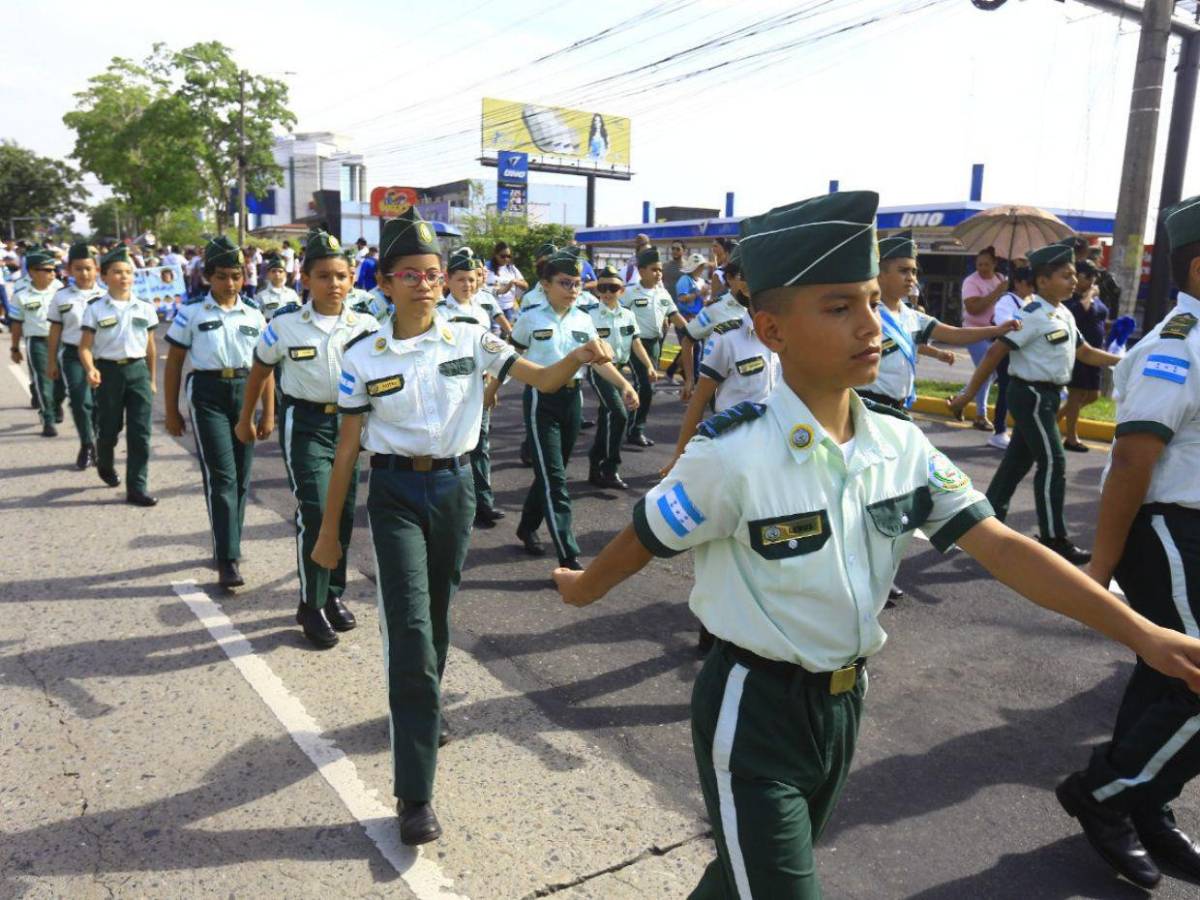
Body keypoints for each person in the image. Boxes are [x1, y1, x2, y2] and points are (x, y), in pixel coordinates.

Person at [552, 189, 1200, 900]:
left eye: (870, 300)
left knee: (742, 880)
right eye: (839, 307)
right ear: (771, 330)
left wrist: (1142, 633)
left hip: (842, 706)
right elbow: (646, 535)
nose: (872, 325)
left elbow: (1003, 548)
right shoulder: (731, 456)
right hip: (753, 709)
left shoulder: (900, 445)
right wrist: (584, 588)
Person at [309, 208, 614, 846]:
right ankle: (415, 793)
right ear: (385, 283)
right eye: (410, 275)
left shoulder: (472, 338)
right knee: (410, 632)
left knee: (438, 617)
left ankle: (424, 709)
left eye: (432, 273)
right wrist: (330, 533)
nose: (424, 283)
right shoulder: (362, 356)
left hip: (454, 489)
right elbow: (346, 450)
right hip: (394, 493)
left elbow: (540, 377)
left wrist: (581, 356)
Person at [1055, 195, 1200, 890]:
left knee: (1165, 674)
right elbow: (1133, 463)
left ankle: (1146, 803)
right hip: (1169, 529)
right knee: (1195, 676)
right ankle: (1103, 794)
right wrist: (1102, 568)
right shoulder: (1177, 345)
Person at [858, 230, 1019, 604]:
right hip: (868, 410)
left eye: (914, 271)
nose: (911, 278)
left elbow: (955, 333)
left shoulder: (912, 317)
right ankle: (865, 573)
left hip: (899, 414)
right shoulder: (866, 313)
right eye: (903, 270)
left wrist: (997, 329)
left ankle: (881, 572)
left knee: (897, 496)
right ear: (880, 272)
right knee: (872, 494)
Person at [236, 229, 377, 648]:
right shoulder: (284, 326)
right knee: (316, 511)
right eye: (324, 276)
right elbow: (260, 370)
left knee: (344, 511)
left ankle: (332, 593)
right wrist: (250, 416)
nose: (334, 284)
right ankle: (310, 604)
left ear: (352, 278)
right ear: (306, 279)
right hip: (307, 425)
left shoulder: (367, 326)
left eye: (341, 276)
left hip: (349, 426)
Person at [949, 242, 1121, 564]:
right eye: (1066, 275)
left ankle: (983, 525)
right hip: (1031, 394)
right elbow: (995, 352)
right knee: (1054, 462)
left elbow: (1084, 352)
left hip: (1050, 395)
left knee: (1016, 463)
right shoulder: (1030, 315)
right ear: (1042, 281)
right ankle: (1054, 537)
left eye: (1074, 275)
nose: (1074, 281)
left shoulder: (1064, 313)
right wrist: (968, 394)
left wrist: (1123, 361)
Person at [509, 249, 638, 567]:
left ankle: (527, 526)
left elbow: (599, 362)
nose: (572, 290)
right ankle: (568, 556)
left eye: (577, 284)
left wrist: (624, 384)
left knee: (552, 471)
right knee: (555, 479)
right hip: (541, 398)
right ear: (546, 284)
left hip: (572, 400)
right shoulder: (530, 318)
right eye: (565, 283)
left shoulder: (584, 319)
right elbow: (510, 357)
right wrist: (490, 389)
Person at [163, 236, 272, 589]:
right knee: (222, 476)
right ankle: (227, 557)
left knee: (241, 475)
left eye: (236, 276)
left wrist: (268, 412)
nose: (230, 283)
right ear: (208, 276)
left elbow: (265, 366)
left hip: (245, 391)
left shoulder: (254, 313)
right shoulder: (192, 312)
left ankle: (229, 543)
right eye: (222, 276)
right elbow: (174, 363)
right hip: (207, 393)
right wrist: (171, 411)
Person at [78, 245, 158, 505]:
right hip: (109, 373)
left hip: (138, 372)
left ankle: (137, 487)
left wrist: (151, 379)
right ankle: (105, 463)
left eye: (128, 272)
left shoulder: (145, 307)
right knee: (109, 429)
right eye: (117, 272)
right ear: (104, 277)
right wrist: (91, 369)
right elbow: (85, 347)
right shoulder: (95, 308)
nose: (124, 277)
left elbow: (150, 348)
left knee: (141, 433)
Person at [437, 248, 511, 528]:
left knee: (481, 444)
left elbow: (488, 353)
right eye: (460, 279)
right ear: (448, 280)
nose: (467, 285)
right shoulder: (439, 312)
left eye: (471, 279)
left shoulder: (481, 312)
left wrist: (492, 386)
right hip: (447, 387)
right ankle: (452, 503)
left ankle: (483, 502)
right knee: (450, 446)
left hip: (477, 385)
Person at [586, 265, 656, 490]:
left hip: (619, 368)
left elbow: (636, 343)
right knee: (618, 414)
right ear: (597, 290)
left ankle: (596, 467)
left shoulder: (628, 314)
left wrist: (649, 366)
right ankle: (610, 468)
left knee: (607, 417)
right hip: (598, 369)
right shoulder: (588, 315)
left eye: (613, 288)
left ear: (622, 291)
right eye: (602, 287)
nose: (607, 292)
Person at [622, 247, 688, 447]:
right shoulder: (630, 293)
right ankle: (634, 430)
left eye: (660, 269)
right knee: (645, 385)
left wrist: (693, 332)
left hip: (655, 344)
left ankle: (633, 426)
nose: (658, 273)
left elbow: (675, 316)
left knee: (647, 386)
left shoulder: (662, 293)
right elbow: (619, 317)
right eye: (654, 269)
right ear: (641, 271)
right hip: (636, 344)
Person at [47, 242, 104, 468]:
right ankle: (87, 444)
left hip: (102, 355)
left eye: (88, 268)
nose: (84, 273)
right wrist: (51, 361)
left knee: (100, 404)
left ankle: (99, 442)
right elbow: (55, 330)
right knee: (81, 401)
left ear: (96, 270)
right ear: (69, 270)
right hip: (73, 355)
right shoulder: (61, 297)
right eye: (78, 268)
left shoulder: (107, 295)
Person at [678, 246, 750, 403]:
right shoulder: (716, 309)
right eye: (743, 276)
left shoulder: (760, 306)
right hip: (726, 394)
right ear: (730, 278)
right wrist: (690, 379)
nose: (749, 281)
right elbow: (687, 340)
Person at [8, 246, 66, 436]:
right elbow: (16, 323)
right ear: (32, 272)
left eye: (53, 270)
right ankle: (47, 417)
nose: (53, 273)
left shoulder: (60, 290)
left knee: (63, 382)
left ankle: (56, 403)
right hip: (37, 342)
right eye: (47, 270)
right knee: (43, 380)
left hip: (61, 341)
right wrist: (15, 348)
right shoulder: (21, 295)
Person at [1060, 260, 1109, 452]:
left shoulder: (1094, 296)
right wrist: (1089, 294)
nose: (1092, 280)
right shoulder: (1070, 297)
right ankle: (1071, 438)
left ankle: (1055, 417)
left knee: (1092, 395)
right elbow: (1080, 312)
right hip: (1078, 352)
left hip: (1094, 353)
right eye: (1087, 276)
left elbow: (1099, 316)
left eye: (1094, 276)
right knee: (1076, 393)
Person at [960, 247, 1009, 431]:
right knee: (986, 372)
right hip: (975, 332)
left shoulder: (1001, 279)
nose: (982, 268)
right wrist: (997, 292)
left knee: (992, 372)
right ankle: (980, 416)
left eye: (986, 264)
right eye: (979, 264)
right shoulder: (971, 282)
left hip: (995, 332)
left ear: (995, 264)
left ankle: (959, 399)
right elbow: (973, 309)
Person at [987, 266, 1034, 450]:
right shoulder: (1007, 300)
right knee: (1006, 390)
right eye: (1029, 283)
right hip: (1006, 352)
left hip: (1024, 354)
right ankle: (999, 432)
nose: (1032, 287)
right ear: (1017, 283)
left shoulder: (1031, 300)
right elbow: (1003, 324)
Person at [668, 252, 711, 384]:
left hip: (698, 319)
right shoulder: (684, 280)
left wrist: (706, 299)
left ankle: (673, 371)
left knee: (691, 347)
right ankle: (695, 379)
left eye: (703, 266)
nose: (702, 268)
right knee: (695, 346)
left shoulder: (702, 281)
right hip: (684, 318)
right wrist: (699, 293)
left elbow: (702, 300)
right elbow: (682, 298)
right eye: (700, 266)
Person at [485, 240, 527, 323]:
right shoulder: (486, 267)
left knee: (512, 330)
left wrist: (515, 282)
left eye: (508, 256)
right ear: (496, 255)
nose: (506, 259)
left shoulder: (511, 268)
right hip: (493, 309)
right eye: (503, 256)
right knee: (496, 331)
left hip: (510, 308)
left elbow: (525, 285)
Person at [256, 254, 301, 320]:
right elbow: (256, 318)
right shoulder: (261, 295)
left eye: (280, 271)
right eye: (273, 271)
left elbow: (300, 314)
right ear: (268, 274)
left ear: (285, 274)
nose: (277, 274)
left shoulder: (292, 294)